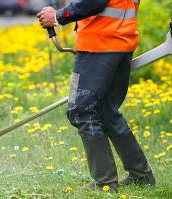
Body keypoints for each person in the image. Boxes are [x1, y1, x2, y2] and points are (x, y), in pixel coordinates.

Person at [37, 0, 155, 192]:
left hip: (98, 46)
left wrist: (58, 16)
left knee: (81, 111)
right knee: (107, 112)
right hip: (120, 43)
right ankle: (141, 175)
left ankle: (105, 184)